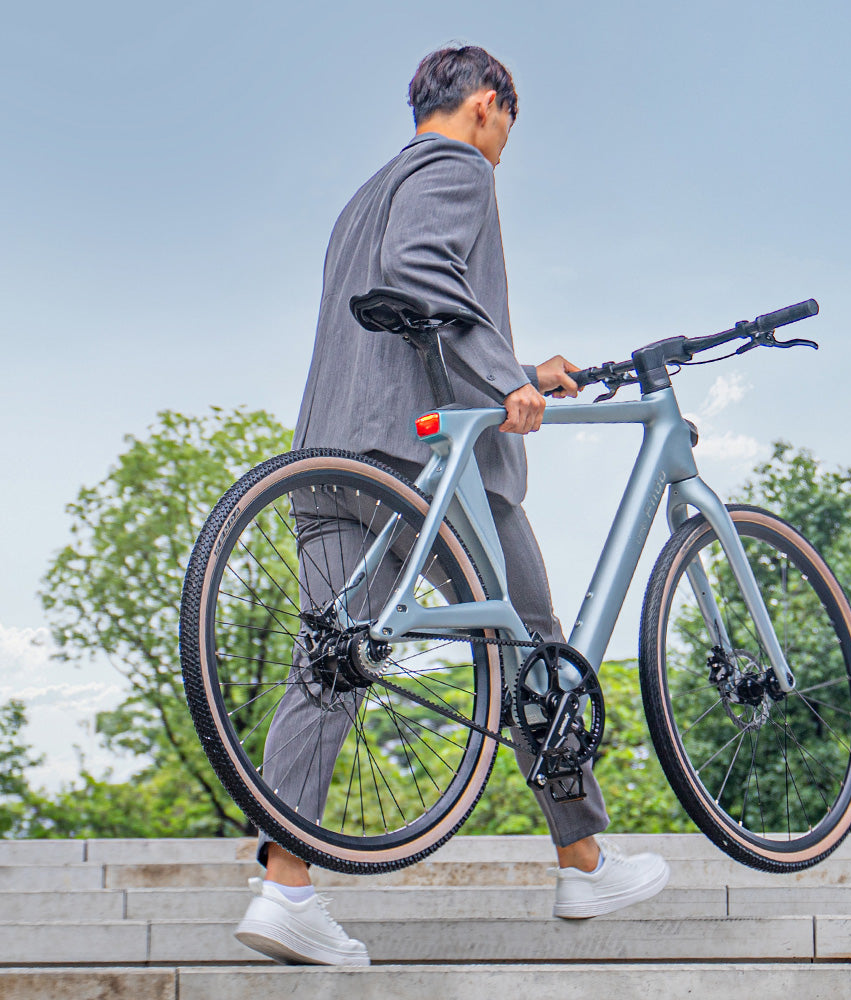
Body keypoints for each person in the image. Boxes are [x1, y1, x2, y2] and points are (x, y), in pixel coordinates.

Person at [235, 45, 669, 967]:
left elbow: (400, 300)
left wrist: (523, 368)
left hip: (332, 445)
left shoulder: (368, 190)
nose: (507, 141)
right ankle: (584, 860)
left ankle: (285, 888)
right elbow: (424, 267)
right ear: (485, 104)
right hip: (429, 456)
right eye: (511, 121)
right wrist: (501, 380)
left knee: (331, 661)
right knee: (536, 648)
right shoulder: (457, 167)